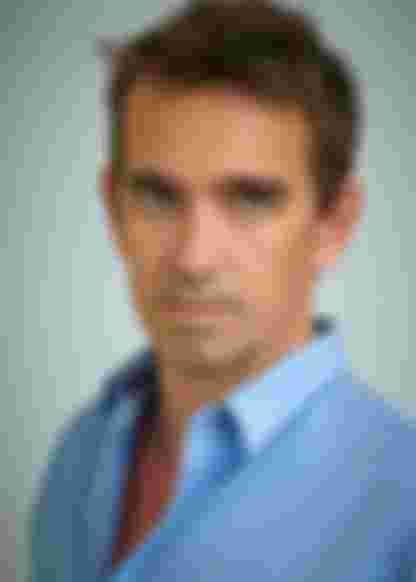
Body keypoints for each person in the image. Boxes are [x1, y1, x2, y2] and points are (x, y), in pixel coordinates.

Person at [29, 1, 416, 581]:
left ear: (333, 224)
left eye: (250, 199)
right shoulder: (79, 453)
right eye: (157, 197)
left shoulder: (403, 511)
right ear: (113, 209)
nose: (194, 258)